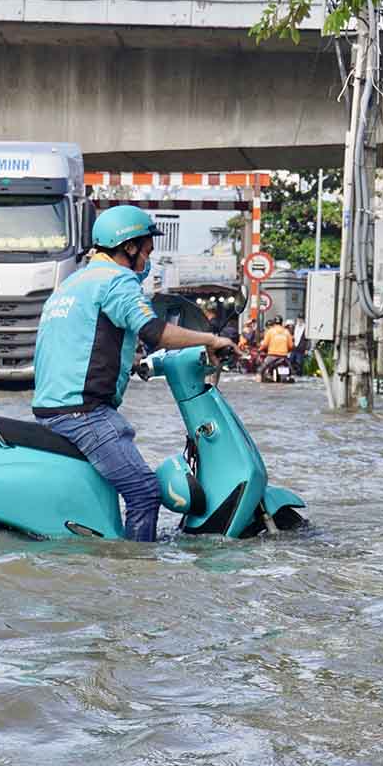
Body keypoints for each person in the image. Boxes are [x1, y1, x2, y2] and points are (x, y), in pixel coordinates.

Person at [32, 205, 237, 542]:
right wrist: (211, 339)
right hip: (83, 414)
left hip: (52, 409)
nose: (148, 261)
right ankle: (135, 573)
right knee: (144, 492)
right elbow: (154, 330)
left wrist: (136, 365)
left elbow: (83, 344)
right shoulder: (116, 280)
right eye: (147, 251)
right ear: (129, 247)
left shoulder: (73, 283)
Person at [256, 316, 294, 381]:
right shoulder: (286, 332)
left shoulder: (270, 331)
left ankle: (258, 382)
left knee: (260, 370)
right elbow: (291, 346)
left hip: (272, 356)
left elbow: (265, 344)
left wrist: (259, 350)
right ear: (282, 323)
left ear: (274, 323)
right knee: (291, 373)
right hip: (283, 357)